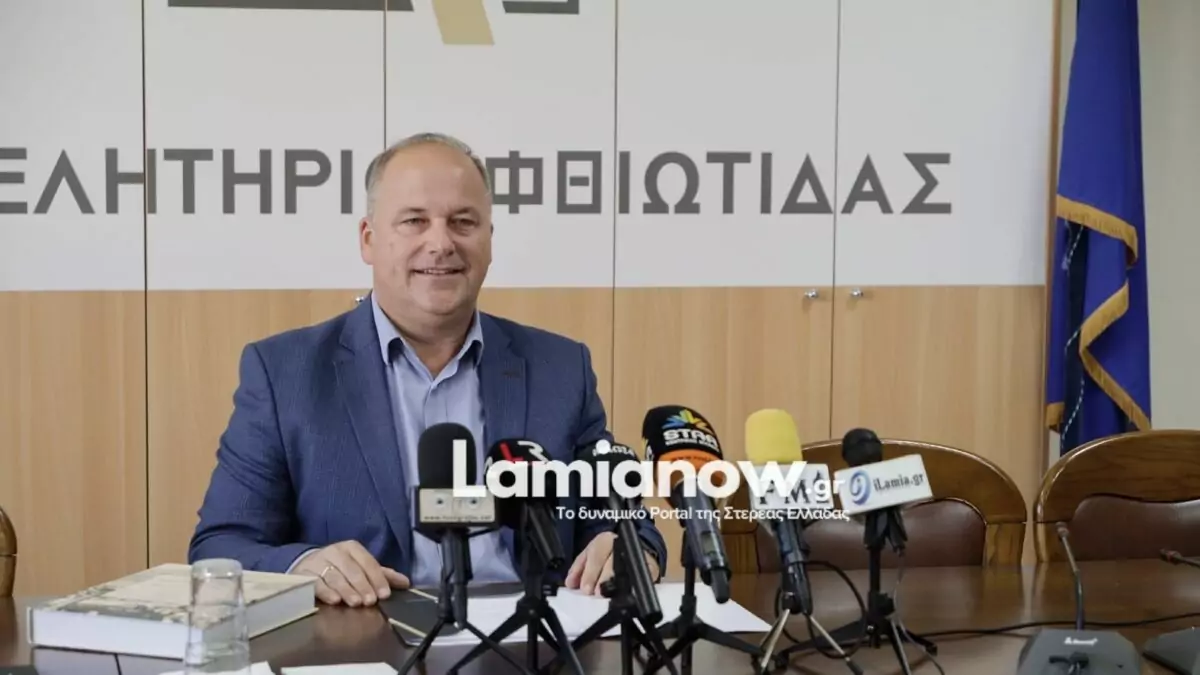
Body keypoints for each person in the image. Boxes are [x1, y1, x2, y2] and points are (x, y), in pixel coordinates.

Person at [188, 132, 666, 607]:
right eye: (414, 221)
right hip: (366, 634)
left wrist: (630, 548)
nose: (440, 243)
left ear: (489, 240)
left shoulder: (559, 369)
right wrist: (302, 565)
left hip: (532, 633)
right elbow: (222, 546)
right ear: (369, 240)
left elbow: (623, 520)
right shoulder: (285, 375)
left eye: (463, 222)